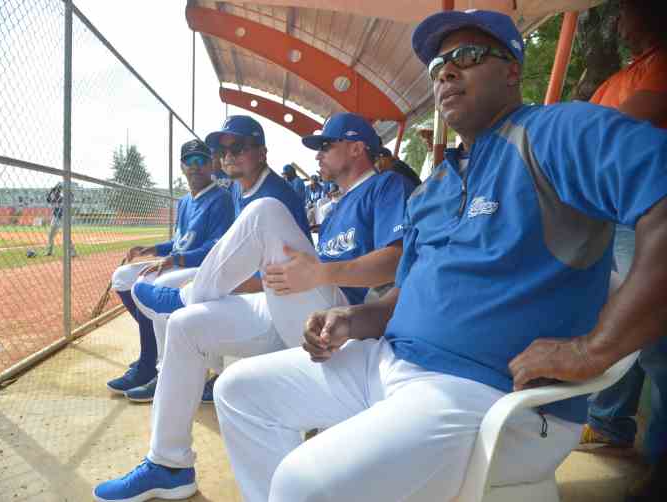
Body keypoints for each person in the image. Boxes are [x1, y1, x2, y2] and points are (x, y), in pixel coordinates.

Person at [209, 10, 667, 502]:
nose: (446, 71)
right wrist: (353, 318)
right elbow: (403, 296)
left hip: (487, 393)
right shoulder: (436, 187)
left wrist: (593, 351)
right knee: (237, 392)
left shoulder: (555, 133)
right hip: (389, 362)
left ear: (511, 70)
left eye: (466, 56)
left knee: (303, 482)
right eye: (437, 65)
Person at [92, 112, 414, 502]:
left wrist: (320, 273)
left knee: (265, 212)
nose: (317, 154)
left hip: (345, 321)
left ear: (358, 147)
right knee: (185, 327)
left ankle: (189, 293)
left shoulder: (384, 186)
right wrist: (311, 274)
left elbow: (396, 261)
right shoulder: (337, 205)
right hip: (299, 311)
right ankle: (169, 464)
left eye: (326, 145)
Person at [518, 1, 667, 499]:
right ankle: (609, 424)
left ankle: (659, 459)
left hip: (647, 205)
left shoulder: (661, 64)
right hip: (608, 214)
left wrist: (576, 127)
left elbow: (620, 124)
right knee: (616, 320)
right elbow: (583, 126)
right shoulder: (622, 75)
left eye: (626, 11)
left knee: (655, 339)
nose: (619, 21)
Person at [107, 140, 235, 402]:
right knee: (122, 278)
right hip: (180, 263)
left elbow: (215, 247)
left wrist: (174, 259)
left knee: (155, 286)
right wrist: (153, 249)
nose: (195, 166)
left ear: (212, 165)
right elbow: (180, 242)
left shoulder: (220, 198)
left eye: (201, 160)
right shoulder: (185, 201)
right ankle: (151, 353)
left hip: (202, 268)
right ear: (182, 166)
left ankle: (162, 371)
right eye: (190, 161)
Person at [44, 182, 76, 257]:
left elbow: (72, 198)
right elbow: (48, 199)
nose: (56, 192)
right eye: (55, 191)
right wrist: (51, 190)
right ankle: (49, 251)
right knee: (50, 235)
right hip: (55, 218)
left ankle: (72, 252)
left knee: (66, 235)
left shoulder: (63, 198)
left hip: (64, 218)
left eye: (57, 191)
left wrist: (68, 190)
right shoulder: (53, 199)